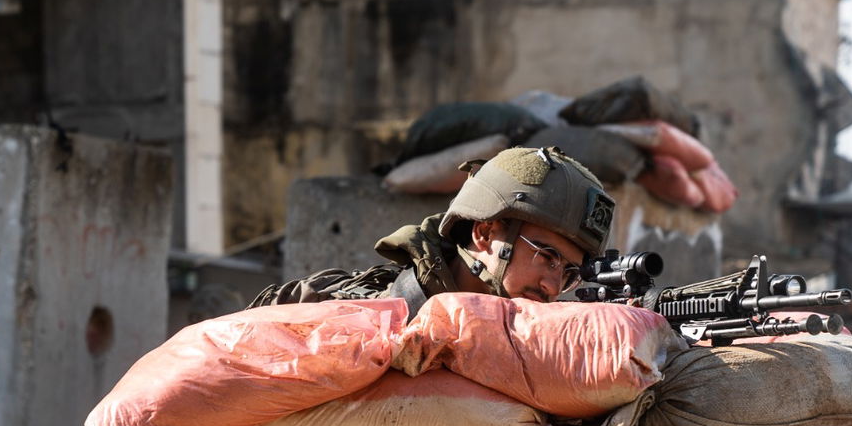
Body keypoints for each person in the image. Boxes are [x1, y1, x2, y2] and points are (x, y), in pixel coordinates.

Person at [249, 146, 615, 314]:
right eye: (546, 256)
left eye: (568, 273)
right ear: (485, 234)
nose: (553, 286)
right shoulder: (363, 314)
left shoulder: (550, 346)